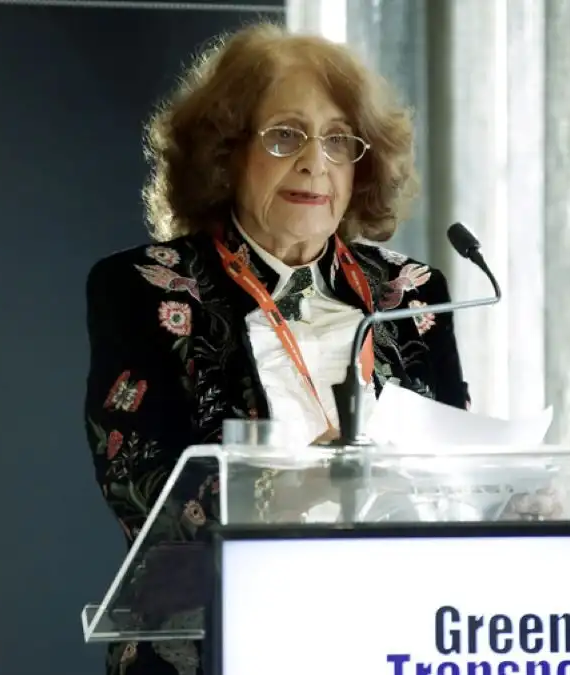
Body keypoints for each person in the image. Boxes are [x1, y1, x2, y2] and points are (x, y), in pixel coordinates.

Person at [82, 22, 468, 675]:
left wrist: (508, 497)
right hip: (217, 643)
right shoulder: (144, 289)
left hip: (389, 637)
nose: (316, 161)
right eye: (286, 135)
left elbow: (455, 468)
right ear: (226, 152)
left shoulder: (413, 295)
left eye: (338, 140)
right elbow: (138, 486)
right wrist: (293, 485)